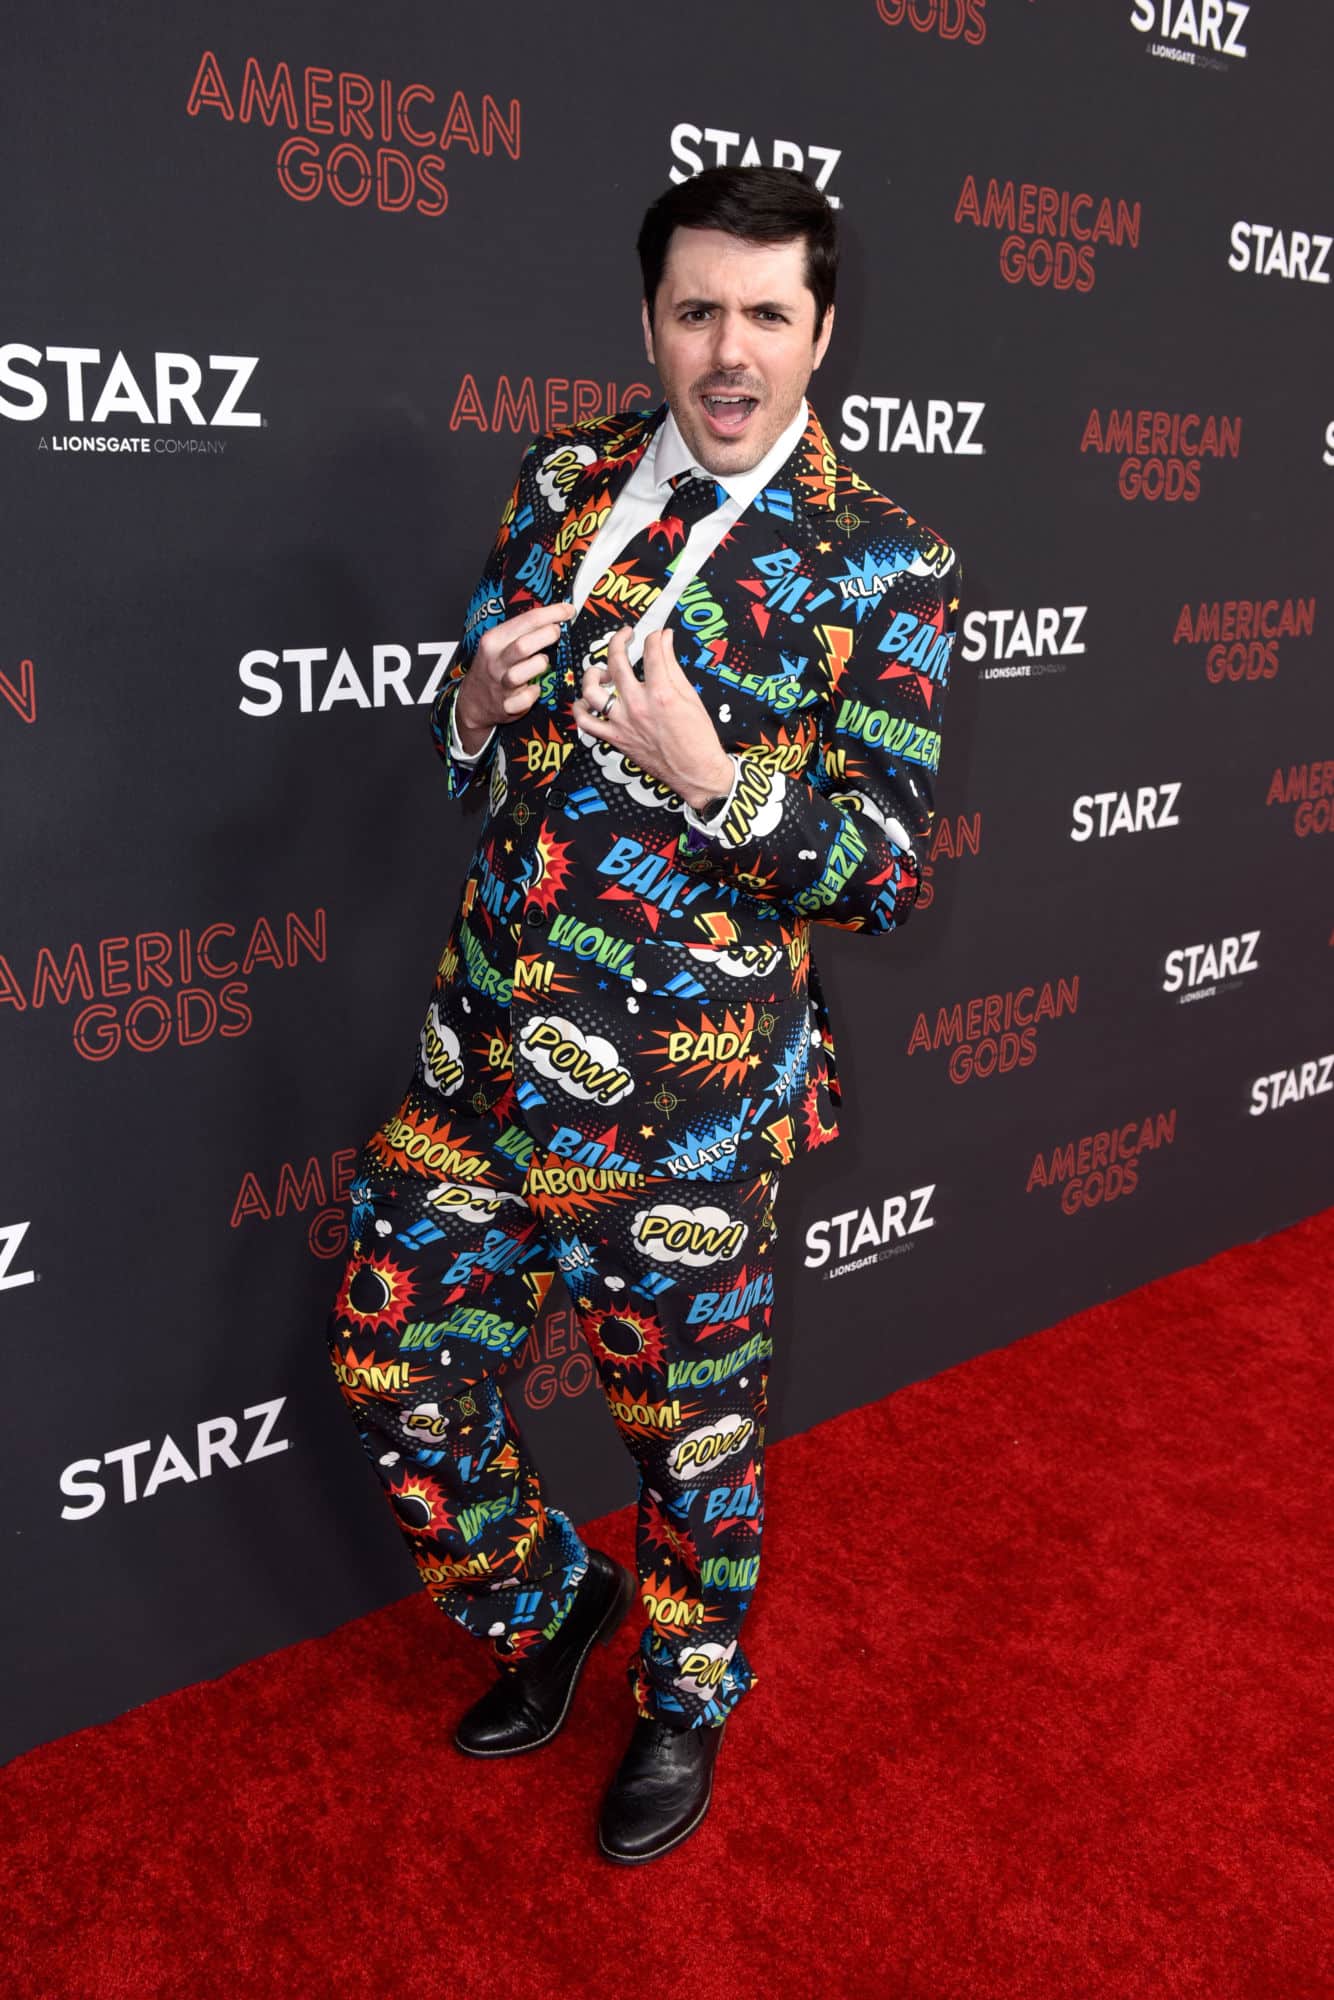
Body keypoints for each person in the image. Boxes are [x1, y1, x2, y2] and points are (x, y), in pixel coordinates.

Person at [326, 165, 962, 1864]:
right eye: (696, 312)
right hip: (482, 1056)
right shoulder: (561, 480)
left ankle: (682, 1700)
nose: (728, 351)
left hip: (688, 1096)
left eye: (765, 313)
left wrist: (715, 779)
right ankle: (547, 1606)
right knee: (392, 1364)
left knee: (692, 1442)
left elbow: (887, 875)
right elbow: (473, 742)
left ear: (819, 329)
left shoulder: (887, 560)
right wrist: (470, 704)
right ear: (649, 322)